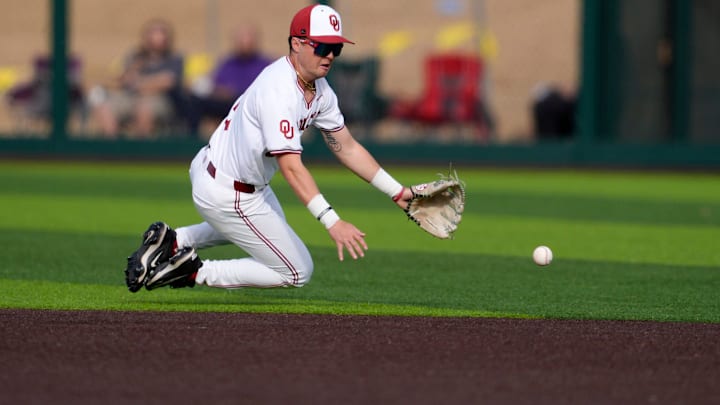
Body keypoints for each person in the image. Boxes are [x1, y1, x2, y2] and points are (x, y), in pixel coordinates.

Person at [124, 4, 414, 292]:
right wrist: (332, 220)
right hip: (227, 191)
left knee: (270, 231)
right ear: (297, 43)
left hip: (228, 176)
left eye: (336, 48)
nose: (329, 56)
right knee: (297, 271)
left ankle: (173, 241)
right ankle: (192, 272)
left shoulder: (320, 89)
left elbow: (347, 147)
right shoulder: (278, 90)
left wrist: (397, 192)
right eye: (322, 46)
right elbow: (290, 167)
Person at [90, 18, 184, 138]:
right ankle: (112, 146)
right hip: (130, 97)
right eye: (152, 33)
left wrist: (140, 83)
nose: (156, 37)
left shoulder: (174, 58)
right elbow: (123, 80)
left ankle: (141, 148)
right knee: (103, 104)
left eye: (160, 33)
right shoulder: (136, 57)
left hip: (160, 100)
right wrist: (134, 70)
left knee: (144, 107)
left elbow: (167, 81)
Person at [186, 24, 272, 135]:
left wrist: (234, 92)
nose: (244, 44)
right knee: (195, 100)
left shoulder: (265, 64)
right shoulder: (227, 63)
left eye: (247, 40)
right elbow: (215, 83)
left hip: (251, 105)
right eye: (241, 41)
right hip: (226, 104)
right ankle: (193, 138)